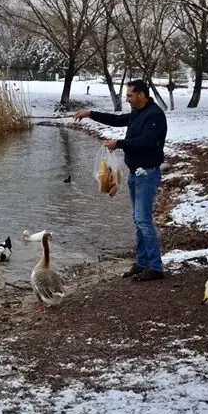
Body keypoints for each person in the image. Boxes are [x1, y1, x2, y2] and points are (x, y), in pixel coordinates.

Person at [73, 79, 168, 282]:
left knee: (143, 220)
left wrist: (119, 143)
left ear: (141, 95)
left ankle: (155, 267)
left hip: (147, 173)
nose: (127, 99)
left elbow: (147, 142)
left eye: (130, 96)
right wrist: (91, 114)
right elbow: (117, 120)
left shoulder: (155, 116)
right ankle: (142, 263)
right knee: (138, 220)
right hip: (136, 174)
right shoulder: (138, 112)